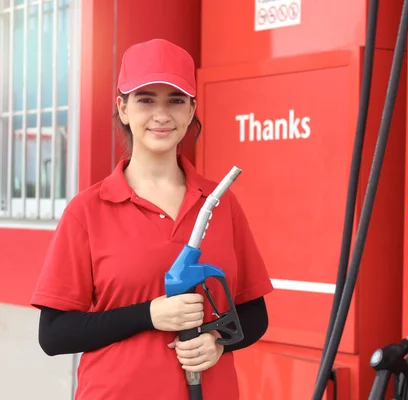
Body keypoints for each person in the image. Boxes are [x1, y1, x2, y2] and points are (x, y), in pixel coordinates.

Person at [30, 38, 274, 400]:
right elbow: (54, 335)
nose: (162, 115)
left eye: (175, 101)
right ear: (123, 108)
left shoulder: (220, 203)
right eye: (146, 100)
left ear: (191, 110)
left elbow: (255, 314)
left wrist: (219, 342)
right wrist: (148, 315)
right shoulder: (88, 211)